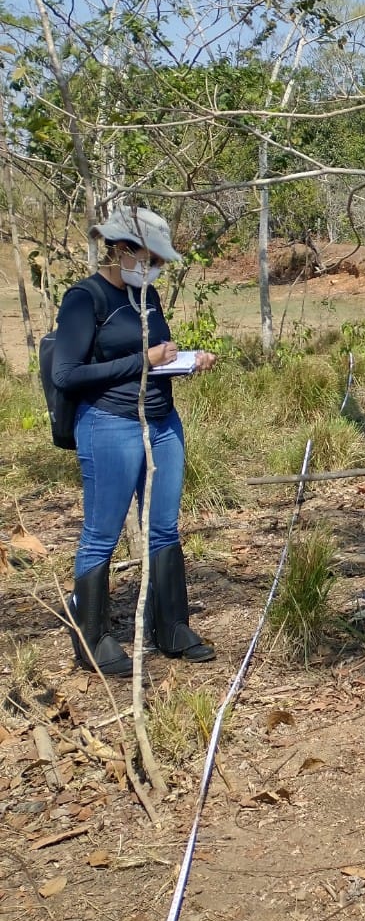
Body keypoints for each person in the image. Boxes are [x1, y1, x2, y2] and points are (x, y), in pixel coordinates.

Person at [51, 206, 217, 676]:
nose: (156, 267)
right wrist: (142, 359)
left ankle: (173, 627)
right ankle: (93, 635)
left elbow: (155, 356)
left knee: (165, 526)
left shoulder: (149, 296)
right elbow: (67, 374)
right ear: (122, 250)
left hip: (163, 423)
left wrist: (184, 358)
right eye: (150, 256)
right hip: (109, 424)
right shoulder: (86, 298)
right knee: (101, 534)